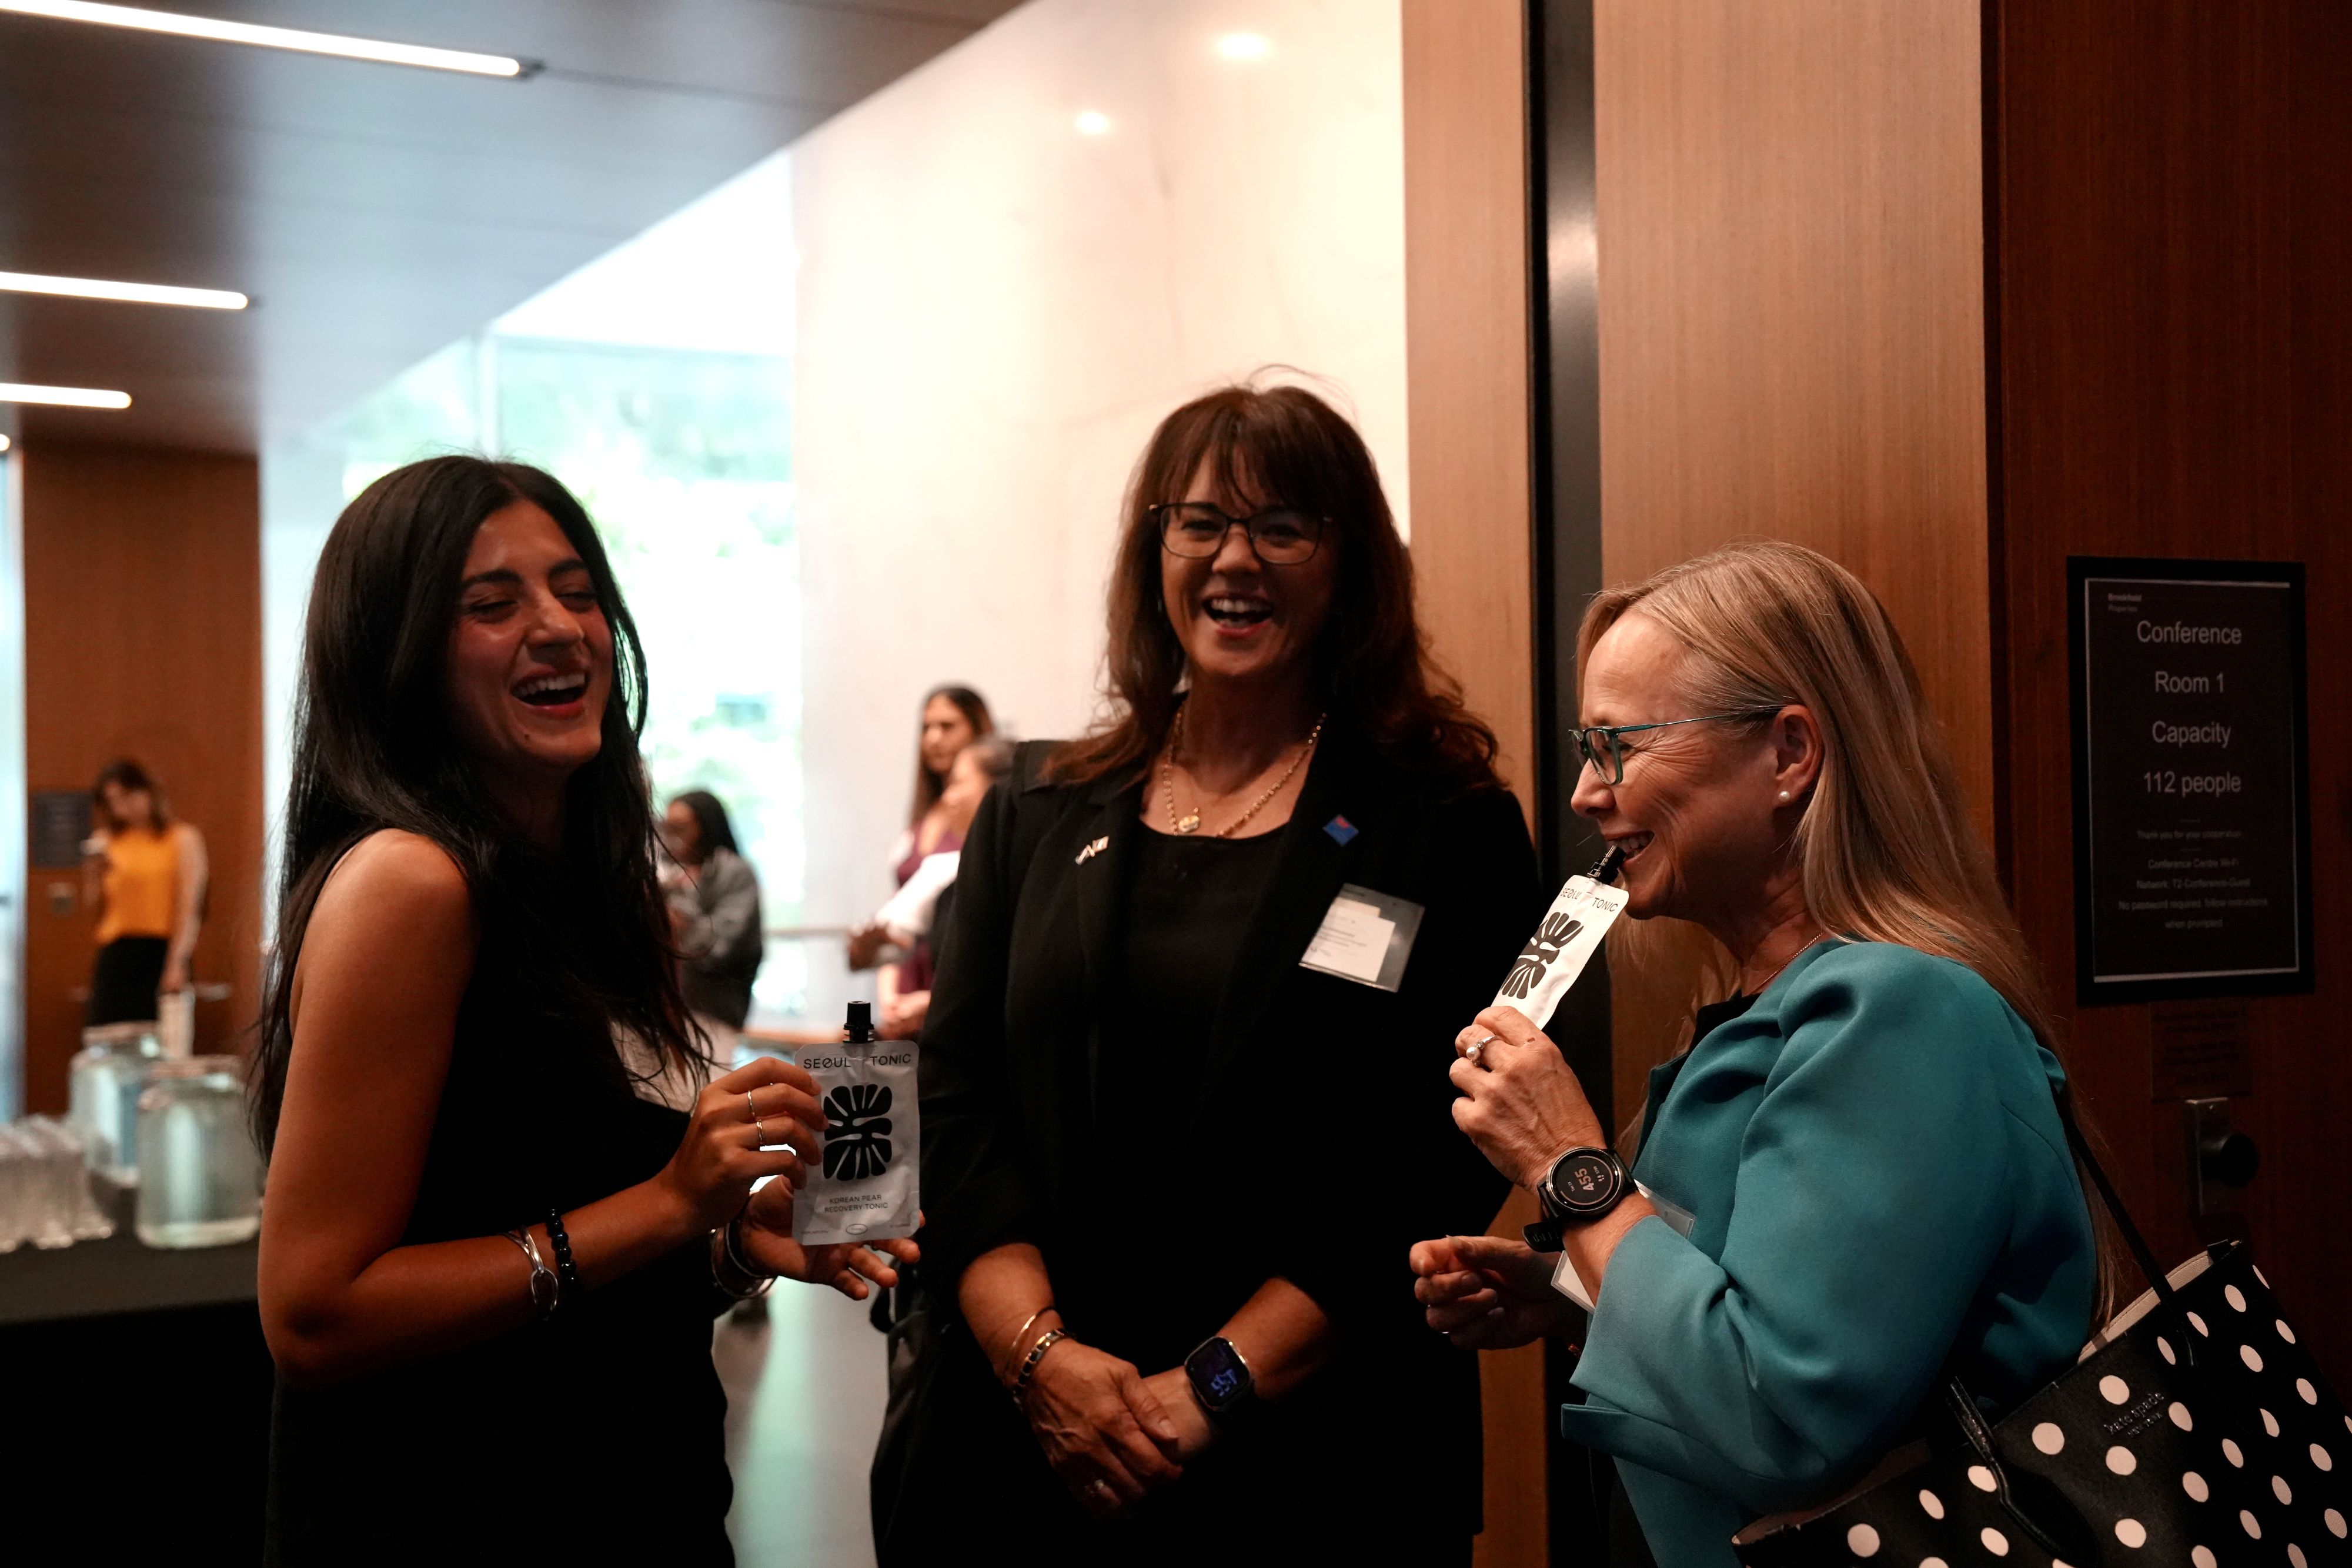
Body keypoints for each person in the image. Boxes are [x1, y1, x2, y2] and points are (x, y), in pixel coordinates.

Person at [883, 383, 1541, 1565]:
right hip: (1028, 1449)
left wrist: (1211, 1387)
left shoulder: (1442, 826)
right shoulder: (1034, 809)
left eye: (1282, 526)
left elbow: (1434, 1153)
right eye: (1200, 523)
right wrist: (1040, 1360)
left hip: (1323, 1465)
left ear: (1350, 562)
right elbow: (957, 1096)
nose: (1236, 558)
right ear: (1157, 555)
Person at [250, 455, 915, 1564]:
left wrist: (727, 1241)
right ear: (398, 652)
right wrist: (667, 1202)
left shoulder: (582, 892)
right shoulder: (412, 883)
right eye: (492, 603)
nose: (559, 628)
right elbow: (314, 1314)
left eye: (577, 591)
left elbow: (558, 1265)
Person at [1412, 541, 2100, 1568]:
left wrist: (1572, 1169)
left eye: (1618, 745)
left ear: (1789, 753)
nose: (1587, 793)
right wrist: (1577, 1293)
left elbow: (1781, 1418)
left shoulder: (1902, 1012)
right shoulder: (1772, 1008)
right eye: (1588, 749)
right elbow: (1761, 1309)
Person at [870, 736, 1014, 1039]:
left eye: (958, 783)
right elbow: (886, 935)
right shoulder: (947, 870)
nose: (948, 799)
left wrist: (933, 1002)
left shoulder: (1019, 874)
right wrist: (892, 999)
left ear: (999, 788)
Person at [848, 685, 993, 981]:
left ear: (977, 729)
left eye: (947, 726)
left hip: (957, 978)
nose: (934, 738)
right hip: (907, 978)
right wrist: (888, 990)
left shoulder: (987, 818)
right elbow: (897, 918)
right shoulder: (924, 817)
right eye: (927, 728)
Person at [81, 758, 208, 1028]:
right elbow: (94, 906)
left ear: (147, 792)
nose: (121, 808)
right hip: (117, 950)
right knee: (107, 1036)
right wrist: (93, 872)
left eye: (126, 797)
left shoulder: (182, 838)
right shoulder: (106, 841)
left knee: (161, 1037)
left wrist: (177, 962)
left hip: (160, 949)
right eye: (112, 801)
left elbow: (190, 906)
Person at [661, 788, 766, 1053]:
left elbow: (718, 948)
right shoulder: (666, 871)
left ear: (705, 827)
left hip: (714, 1013)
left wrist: (677, 907)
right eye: (667, 828)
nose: (671, 837)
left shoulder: (734, 872)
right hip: (664, 1013)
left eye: (680, 828)